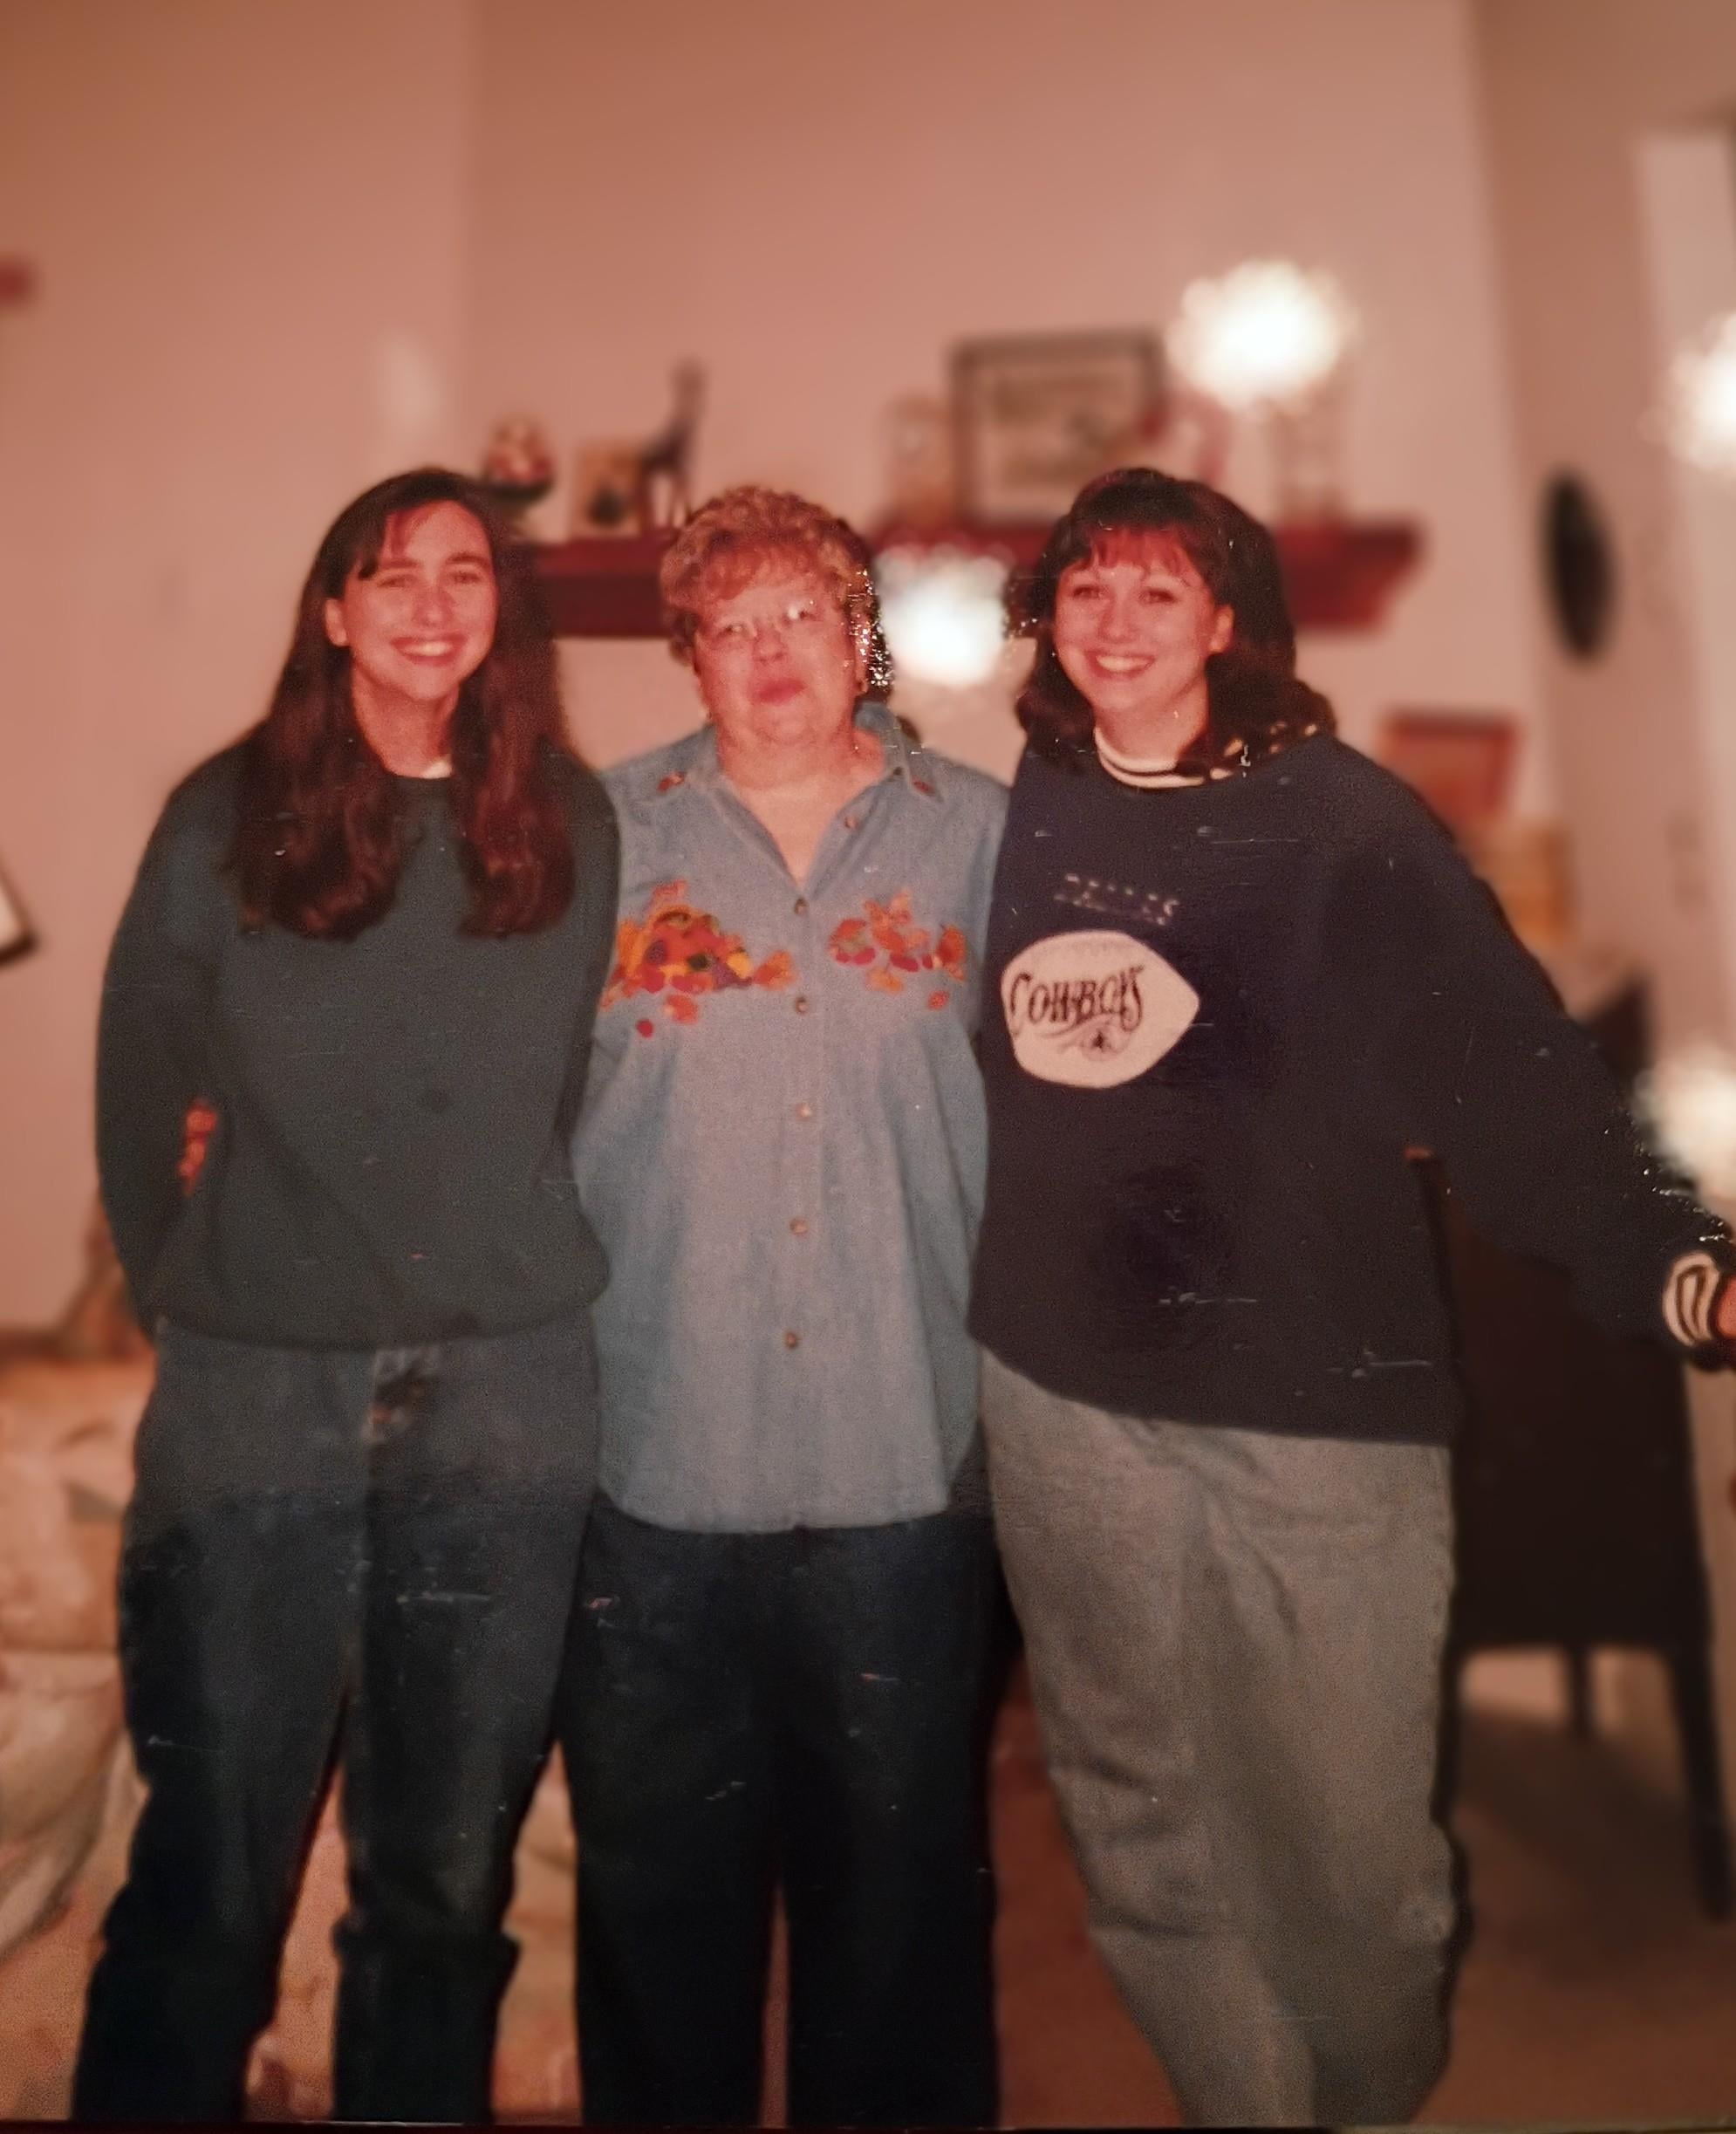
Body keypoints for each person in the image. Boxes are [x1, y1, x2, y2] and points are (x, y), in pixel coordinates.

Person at [967, 468, 1736, 2128]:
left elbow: (1513, 1076)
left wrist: (1670, 1255)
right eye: (1084, 590)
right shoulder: (1020, 806)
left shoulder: (1345, 824)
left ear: (1228, 621)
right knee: (1136, 1817)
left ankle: (1363, 2102)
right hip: (1062, 1394)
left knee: (1352, 1857)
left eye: (1155, 593)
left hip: (1311, 1405)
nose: (1112, 624)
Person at [73, 468, 619, 2124]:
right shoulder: (224, 811)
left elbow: (584, 1073)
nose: (434, 604)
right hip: (257, 1398)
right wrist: (186, 1283)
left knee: (441, 1892)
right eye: (392, 575)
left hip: (507, 1400)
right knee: (211, 1880)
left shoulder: (572, 818)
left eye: (466, 573)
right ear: (332, 611)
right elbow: (137, 1067)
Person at [559, 485, 1007, 2128]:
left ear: (856, 632)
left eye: (799, 616)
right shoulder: (596, 840)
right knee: (658, 1916)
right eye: (727, 626)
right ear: (684, 654)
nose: (767, 655)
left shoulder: (980, 831)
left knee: (900, 1921)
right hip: (656, 1467)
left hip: (904, 1456)